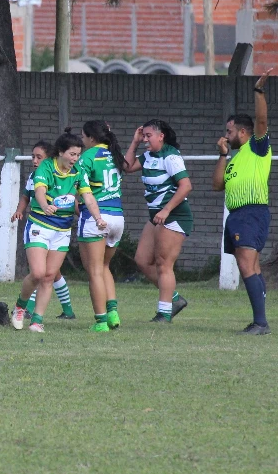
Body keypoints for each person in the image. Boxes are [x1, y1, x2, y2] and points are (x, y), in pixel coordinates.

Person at [11, 129, 106, 333]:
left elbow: (88, 197)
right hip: (39, 225)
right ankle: (20, 307)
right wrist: (45, 206)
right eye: (73, 154)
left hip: (62, 230)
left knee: (49, 275)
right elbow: (39, 191)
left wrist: (98, 218)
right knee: (37, 273)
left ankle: (37, 321)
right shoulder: (45, 167)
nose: (76, 158)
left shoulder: (78, 172)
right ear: (61, 152)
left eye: (78, 154)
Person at [212, 69, 273, 335]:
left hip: (251, 212)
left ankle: (260, 323)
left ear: (244, 132)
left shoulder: (256, 147)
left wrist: (258, 91)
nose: (226, 135)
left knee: (247, 265)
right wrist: (223, 155)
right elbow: (217, 185)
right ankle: (259, 319)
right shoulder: (235, 158)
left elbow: (262, 120)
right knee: (251, 265)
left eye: (230, 131)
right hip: (236, 215)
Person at [125, 119, 192, 323]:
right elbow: (126, 167)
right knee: (142, 260)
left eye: (148, 136)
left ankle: (164, 313)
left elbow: (186, 186)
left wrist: (166, 209)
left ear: (161, 136)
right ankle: (174, 299)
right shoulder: (147, 156)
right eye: (143, 135)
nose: (145, 139)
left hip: (174, 215)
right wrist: (134, 142)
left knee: (164, 263)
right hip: (156, 216)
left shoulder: (170, 156)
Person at [10, 140, 76, 320]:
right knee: (43, 273)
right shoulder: (33, 176)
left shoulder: (60, 175)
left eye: (39, 157)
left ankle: (58, 310)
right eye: (33, 156)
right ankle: (36, 308)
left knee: (49, 273)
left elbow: (72, 200)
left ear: (50, 160)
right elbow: (27, 196)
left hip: (59, 228)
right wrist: (19, 210)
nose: (34, 160)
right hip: (41, 225)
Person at [76, 120, 127, 332]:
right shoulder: (115, 153)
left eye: (82, 136)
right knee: (104, 267)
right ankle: (113, 312)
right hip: (118, 217)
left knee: (94, 271)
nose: (81, 140)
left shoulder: (86, 157)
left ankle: (101, 322)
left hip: (97, 218)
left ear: (91, 138)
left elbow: (81, 187)